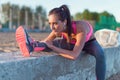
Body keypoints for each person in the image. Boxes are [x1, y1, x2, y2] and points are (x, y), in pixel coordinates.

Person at [16, 5, 106, 80]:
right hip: (70, 43)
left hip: (89, 43)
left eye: (55, 23)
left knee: (100, 54)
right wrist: (39, 42)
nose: (52, 27)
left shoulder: (80, 28)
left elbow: (74, 55)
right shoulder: (58, 29)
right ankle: (31, 46)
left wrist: (53, 48)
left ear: (64, 22)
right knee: (51, 44)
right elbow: (47, 41)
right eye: (50, 23)